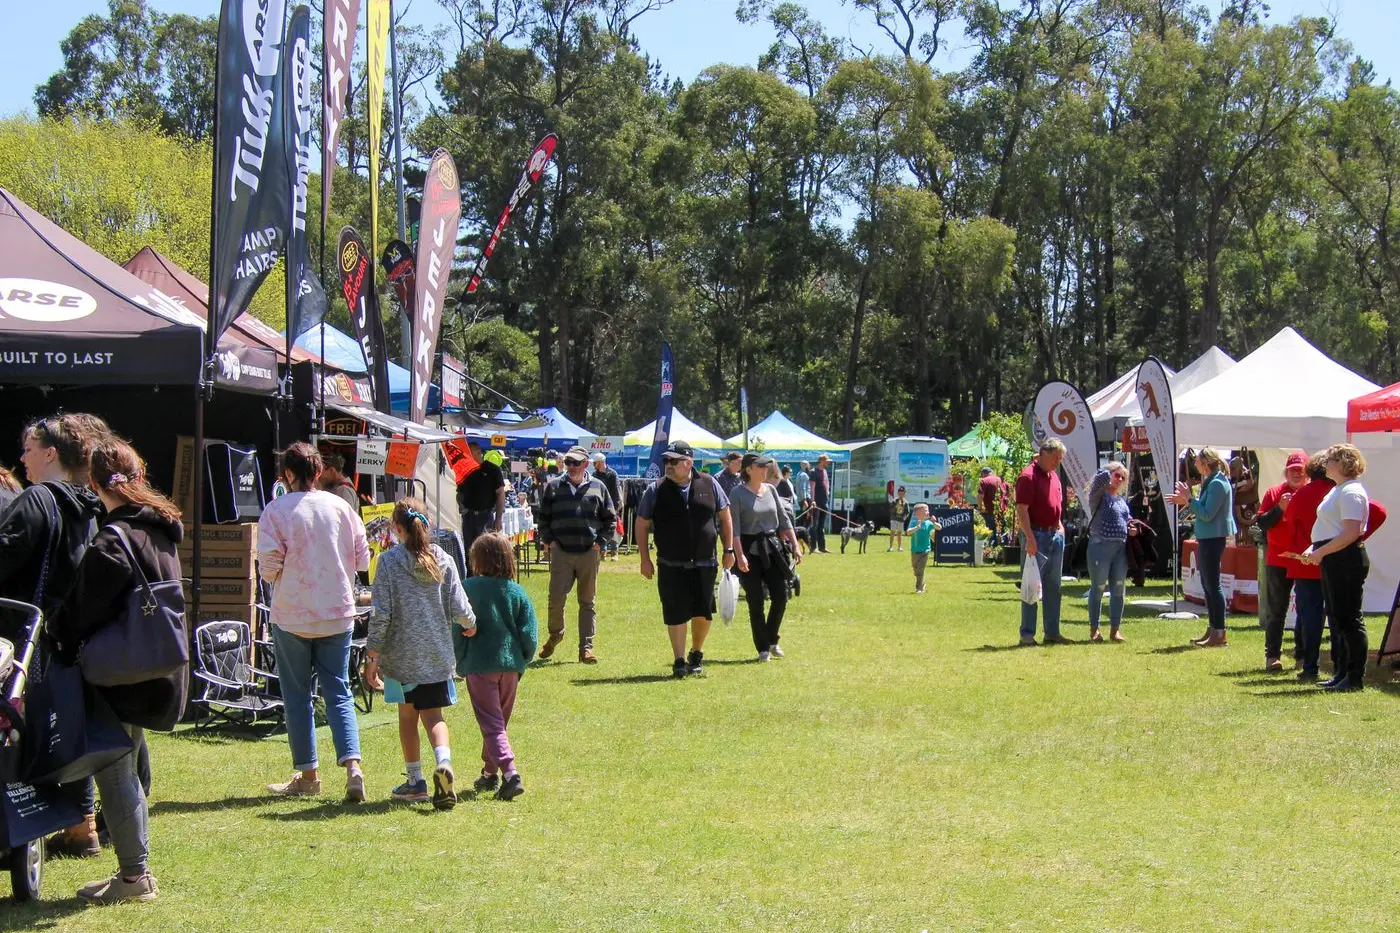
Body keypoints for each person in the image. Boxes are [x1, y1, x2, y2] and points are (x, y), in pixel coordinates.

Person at [47, 439, 188, 905]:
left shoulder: (114, 539)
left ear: (93, 483)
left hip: (119, 672)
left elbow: (80, 610)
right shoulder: (162, 529)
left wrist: (58, 638)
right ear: (139, 474)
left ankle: (134, 877)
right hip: (157, 668)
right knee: (126, 766)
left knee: (115, 771)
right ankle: (135, 872)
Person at [0, 414, 106, 858]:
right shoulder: (88, 503)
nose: (22, 458)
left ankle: (54, 822)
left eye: (28, 449)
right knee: (63, 727)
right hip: (67, 634)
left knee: (22, 733)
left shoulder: (38, 498)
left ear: (50, 454)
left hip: (25, 634)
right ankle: (82, 826)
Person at [258, 442, 371, 801]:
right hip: (337, 611)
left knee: (297, 696)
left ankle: (309, 775)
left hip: (292, 614)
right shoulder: (341, 507)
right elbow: (363, 560)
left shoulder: (276, 511)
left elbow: (269, 566)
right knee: (339, 691)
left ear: (288, 474)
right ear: (319, 472)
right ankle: (354, 768)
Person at [365, 499, 471, 810]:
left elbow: (381, 614)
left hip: (400, 658)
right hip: (436, 654)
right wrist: (471, 625)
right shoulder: (443, 558)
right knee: (434, 716)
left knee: (408, 717)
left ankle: (415, 781)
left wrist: (373, 656)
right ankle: (445, 763)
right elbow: (460, 607)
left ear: (397, 529)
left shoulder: (388, 561)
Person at [635, 441, 737, 678]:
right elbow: (641, 522)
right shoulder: (656, 489)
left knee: (703, 611)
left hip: (705, 561)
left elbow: (725, 515)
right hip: (670, 562)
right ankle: (679, 660)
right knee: (675, 611)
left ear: (688, 463)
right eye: (666, 461)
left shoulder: (710, 484)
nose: (667, 466)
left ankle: (696, 653)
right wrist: (644, 558)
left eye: (673, 461)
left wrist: (729, 549)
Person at [456, 533, 538, 800]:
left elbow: (457, 626)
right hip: (511, 666)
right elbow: (530, 634)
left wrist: (459, 659)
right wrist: (521, 659)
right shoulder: (517, 592)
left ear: (477, 559)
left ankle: (511, 773)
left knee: (491, 723)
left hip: (480, 664)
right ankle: (490, 772)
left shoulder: (468, 588)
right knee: (498, 722)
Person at [1298, 444, 1371, 692]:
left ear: (1343, 464)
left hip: (1346, 560)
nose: (1326, 463)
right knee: (1338, 618)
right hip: (1334, 557)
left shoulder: (1351, 492)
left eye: (1331, 460)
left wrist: (1320, 551)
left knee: (1349, 619)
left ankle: (1354, 677)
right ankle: (1342, 673)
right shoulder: (1338, 490)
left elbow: (1351, 533)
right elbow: (1330, 528)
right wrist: (1313, 547)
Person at [536, 446, 617, 664]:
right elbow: (543, 519)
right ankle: (555, 635)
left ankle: (586, 648)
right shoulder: (553, 487)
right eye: (568, 462)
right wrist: (550, 541)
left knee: (587, 602)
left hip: (589, 552)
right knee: (556, 599)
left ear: (586, 464)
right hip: (561, 551)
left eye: (575, 463)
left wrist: (600, 543)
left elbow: (611, 519)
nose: (570, 467)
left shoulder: (599, 487)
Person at [729, 454, 803, 662]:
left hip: (773, 547)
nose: (765, 470)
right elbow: (734, 528)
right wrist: (739, 555)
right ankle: (762, 647)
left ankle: (772, 639)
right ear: (749, 469)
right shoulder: (737, 494)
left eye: (765, 466)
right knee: (756, 601)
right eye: (760, 466)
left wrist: (795, 545)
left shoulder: (771, 489)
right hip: (749, 550)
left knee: (781, 595)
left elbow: (784, 520)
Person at [1171, 447, 1236, 648]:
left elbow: (1207, 514)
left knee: (1212, 585)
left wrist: (1189, 499)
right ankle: (1213, 628)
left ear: (1206, 463)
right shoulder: (1212, 481)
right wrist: (1187, 501)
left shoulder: (1217, 484)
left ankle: (1219, 632)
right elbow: (1203, 510)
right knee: (1208, 585)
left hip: (1213, 539)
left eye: (1197, 462)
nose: (1195, 465)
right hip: (1208, 538)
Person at [1255, 451, 1308, 670]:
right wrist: (1279, 508)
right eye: (1292, 470)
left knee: (1306, 609)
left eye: (1300, 470)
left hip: (1305, 559)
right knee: (1276, 609)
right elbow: (1263, 523)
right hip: (1278, 558)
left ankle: (1302, 656)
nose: (1296, 474)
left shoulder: (1312, 493)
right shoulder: (1274, 492)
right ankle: (1272, 657)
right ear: (1286, 472)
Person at [1283, 453, 1331, 683]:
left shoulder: (1302, 494)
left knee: (1309, 617)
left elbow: (1290, 520)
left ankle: (1310, 665)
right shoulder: (1338, 492)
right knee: (1340, 617)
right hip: (1334, 562)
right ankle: (1342, 666)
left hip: (1306, 562)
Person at [1016, 439, 1069, 646]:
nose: (1058, 461)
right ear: (1043, 453)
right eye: (1055, 457)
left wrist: (1060, 527)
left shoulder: (1054, 476)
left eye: (1060, 458)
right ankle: (1027, 635)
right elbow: (1022, 510)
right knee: (1031, 586)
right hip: (1036, 535)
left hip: (1055, 536)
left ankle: (1052, 632)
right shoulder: (1028, 476)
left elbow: (1056, 505)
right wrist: (1029, 538)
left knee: (1053, 587)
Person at [1086, 462, 1135, 643]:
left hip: (1120, 550)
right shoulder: (1098, 495)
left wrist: (1132, 528)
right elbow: (1099, 479)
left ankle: (1115, 630)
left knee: (1119, 590)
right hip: (1100, 546)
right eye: (1117, 475)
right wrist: (1110, 470)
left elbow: (1128, 520)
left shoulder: (1121, 502)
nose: (1119, 479)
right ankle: (1094, 630)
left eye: (1123, 477)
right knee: (1098, 588)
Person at [456, 440, 507, 551]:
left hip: (485, 516)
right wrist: (460, 504)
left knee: (485, 550)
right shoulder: (465, 470)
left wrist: (498, 519)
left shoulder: (492, 470)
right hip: (468, 517)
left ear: (478, 453)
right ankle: (470, 569)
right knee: (469, 550)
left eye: (469, 454)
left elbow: (500, 494)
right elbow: (459, 492)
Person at [591, 452, 623, 561]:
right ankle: (602, 552)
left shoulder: (612, 474)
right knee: (600, 528)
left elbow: (616, 491)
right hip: (599, 506)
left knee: (613, 529)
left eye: (595, 463)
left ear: (600, 463)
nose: (593, 465)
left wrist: (615, 507)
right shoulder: (594, 475)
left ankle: (614, 552)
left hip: (611, 505)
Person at [907, 503, 940, 594]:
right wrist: (917, 527)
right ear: (918, 513)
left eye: (928, 510)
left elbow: (939, 528)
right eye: (925, 510)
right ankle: (922, 583)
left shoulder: (928, 523)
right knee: (916, 570)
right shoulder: (914, 522)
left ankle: (919, 588)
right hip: (914, 551)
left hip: (925, 550)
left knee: (920, 569)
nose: (928, 512)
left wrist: (934, 522)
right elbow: (908, 532)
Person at [319, 452, 361, 517]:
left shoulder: (343, 490)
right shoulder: (338, 487)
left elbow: (344, 518)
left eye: (321, 472)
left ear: (331, 470)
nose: (319, 476)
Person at [810, 454, 832, 553]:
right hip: (816, 502)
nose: (828, 462)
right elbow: (812, 488)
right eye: (827, 461)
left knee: (821, 526)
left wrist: (827, 495)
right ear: (821, 461)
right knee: (814, 525)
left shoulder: (825, 471)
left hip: (824, 501)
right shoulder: (813, 472)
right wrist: (812, 500)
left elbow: (826, 484)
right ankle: (813, 547)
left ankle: (822, 547)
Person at [978, 466, 1005, 538]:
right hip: (1001, 510)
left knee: (989, 533)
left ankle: (989, 547)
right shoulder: (999, 479)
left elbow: (980, 496)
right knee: (1000, 533)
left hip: (989, 511)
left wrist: (980, 508)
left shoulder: (984, 480)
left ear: (983, 474)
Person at [888, 486, 910, 552]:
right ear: (898, 493)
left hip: (901, 520)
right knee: (892, 532)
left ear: (904, 494)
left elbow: (907, 512)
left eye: (902, 493)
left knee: (899, 533)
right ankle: (891, 547)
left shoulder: (906, 503)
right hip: (894, 519)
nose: (901, 494)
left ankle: (899, 547)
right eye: (900, 493)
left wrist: (904, 518)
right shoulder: (894, 501)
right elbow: (890, 510)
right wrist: (895, 506)